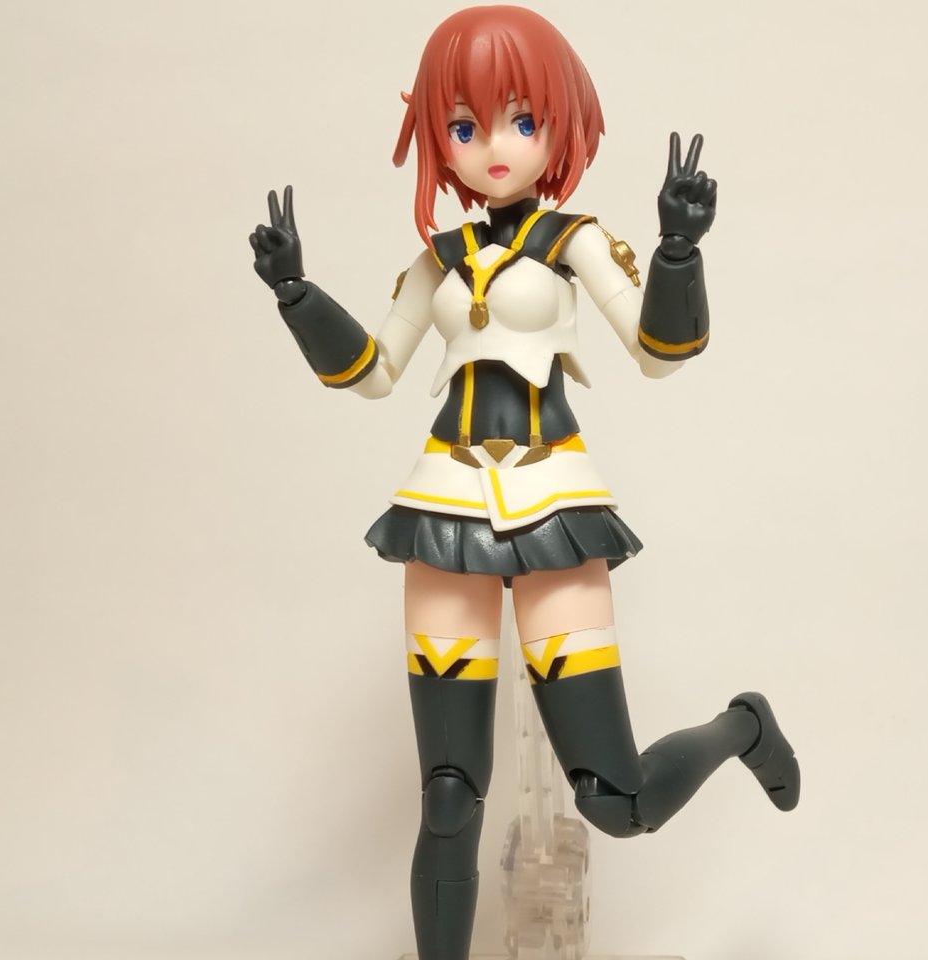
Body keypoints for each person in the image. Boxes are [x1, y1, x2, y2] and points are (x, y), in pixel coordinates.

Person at [248, 7, 800, 959]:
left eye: (520, 119)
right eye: (464, 125)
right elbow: (372, 371)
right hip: (445, 513)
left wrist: (677, 253)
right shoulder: (438, 261)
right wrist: (297, 295)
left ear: (558, 125)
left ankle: (743, 726)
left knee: (616, 800)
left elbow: (661, 350)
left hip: (553, 511)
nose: (493, 146)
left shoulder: (573, 240)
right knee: (449, 798)